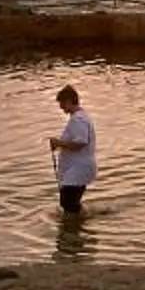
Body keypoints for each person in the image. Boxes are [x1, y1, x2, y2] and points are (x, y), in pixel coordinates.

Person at [46, 84, 96, 215]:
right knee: (70, 204)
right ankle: (81, 223)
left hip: (78, 170)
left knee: (68, 204)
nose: (60, 107)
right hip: (78, 170)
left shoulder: (78, 119)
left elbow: (81, 142)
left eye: (61, 103)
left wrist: (58, 143)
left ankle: (75, 229)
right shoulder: (81, 116)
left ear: (68, 100)